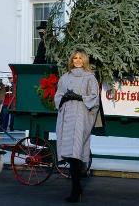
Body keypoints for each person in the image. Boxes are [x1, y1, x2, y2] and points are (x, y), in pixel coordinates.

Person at [54, 49, 99, 203]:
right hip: (66, 117)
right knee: (70, 153)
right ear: (71, 60)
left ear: (84, 60)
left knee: (75, 153)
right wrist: (64, 97)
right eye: (75, 58)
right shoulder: (65, 77)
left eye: (80, 58)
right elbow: (58, 95)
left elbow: (94, 97)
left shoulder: (89, 77)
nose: (77, 60)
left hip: (80, 117)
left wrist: (79, 96)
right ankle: (77, 188)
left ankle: (75, 190)